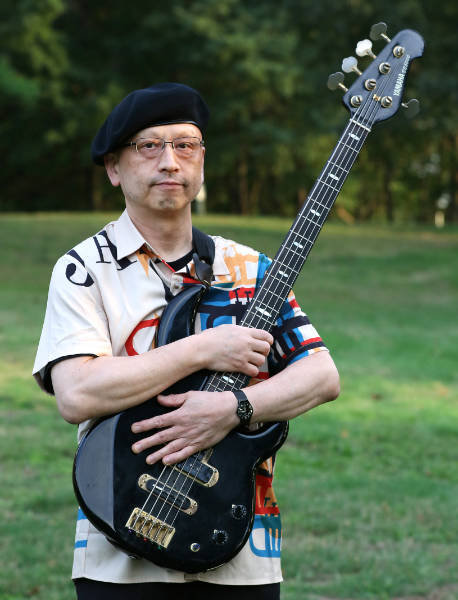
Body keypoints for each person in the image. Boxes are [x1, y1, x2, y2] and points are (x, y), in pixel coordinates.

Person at [33, 82, 340, 600]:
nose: (170, 162)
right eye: (149, 146)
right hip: (120, 543)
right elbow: (77, 393)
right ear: (114, 168)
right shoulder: (84, 269)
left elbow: (321, 375)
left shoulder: (252, 268)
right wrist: (202, 350)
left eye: (185, 145)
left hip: (240, 547)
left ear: (201, 162)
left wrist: (235, 408)